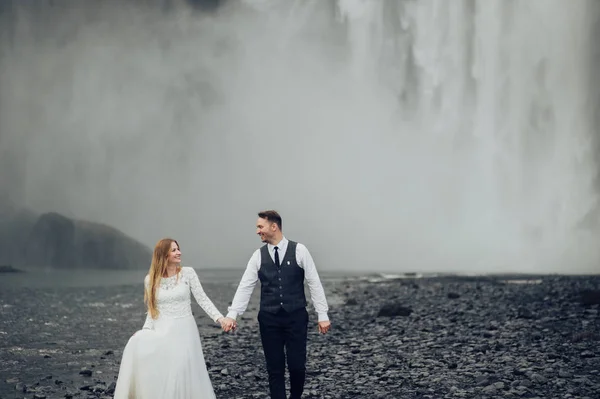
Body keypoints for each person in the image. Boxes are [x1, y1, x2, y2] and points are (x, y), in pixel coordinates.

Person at [221, 210, 331, 399]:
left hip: (296, 317)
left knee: (297, 366)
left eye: (260, 227)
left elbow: (314, 282)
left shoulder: (299, 250)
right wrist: (232, 314)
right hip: (269, 319)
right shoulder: (258, 256)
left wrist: (323, 315)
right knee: (275, 368)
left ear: (274, 226)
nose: (257, 231)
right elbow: (245, 286)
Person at [113, 238, 229, 399]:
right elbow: (152, 311)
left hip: (185, 330)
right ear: (163, 255)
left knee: (181, 370)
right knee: (143, 351)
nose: (179, 252)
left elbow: (202, 299)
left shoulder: (188, 273)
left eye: (178, 249)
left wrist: (220, 319)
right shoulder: (150, 280)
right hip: (162, 331)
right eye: (174, 250)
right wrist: (145, 331)